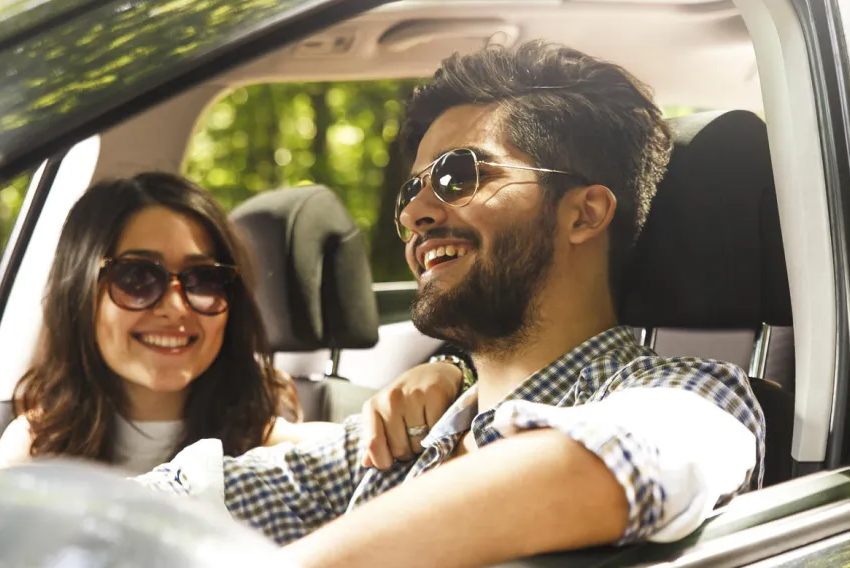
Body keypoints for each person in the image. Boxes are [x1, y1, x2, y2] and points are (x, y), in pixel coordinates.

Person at [130, 40, 766, 568]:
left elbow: (621, 459)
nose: (414, 211)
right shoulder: (402, 439)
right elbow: (163, 506)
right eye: (414, 187)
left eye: (459, 176)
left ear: (584, 214)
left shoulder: (695, 396)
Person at [0, 173, 468, 482]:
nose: (175, 305)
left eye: (204, 280)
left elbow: (365, 449)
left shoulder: (267, 437)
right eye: (137, 278)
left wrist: (452, 373)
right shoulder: (36, 444)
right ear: (81, 294)